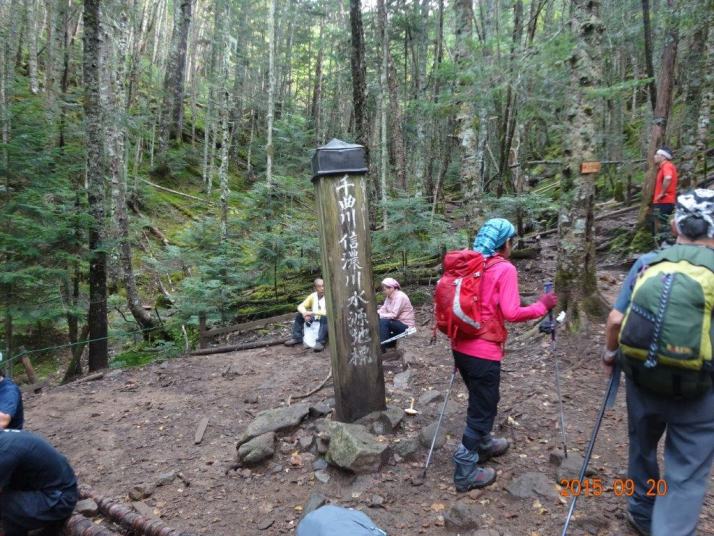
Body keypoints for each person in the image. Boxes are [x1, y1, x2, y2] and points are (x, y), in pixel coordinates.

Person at [603, 189, 714, 536]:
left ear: (675, 225)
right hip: (701, 390)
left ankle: (641, 509)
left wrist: (610, 355)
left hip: (643, 379)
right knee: (686, 473)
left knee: (643, 446)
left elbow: (615, 320)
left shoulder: (648, 263)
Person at [451, 218, 558, 492]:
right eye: (512, 240)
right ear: (505, 243)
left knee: (483, 400)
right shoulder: (504, 268)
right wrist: (541, 306)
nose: (513, 245)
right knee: (482, 409)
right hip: (483, 352)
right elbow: (512, 312)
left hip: (461, 347)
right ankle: (465, 470)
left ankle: (484, 444)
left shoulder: (471, 265)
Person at [0, 429, 78, 536]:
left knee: (4, 502)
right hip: (46, 488)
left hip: (59, 500)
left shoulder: (4, 452)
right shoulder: (4, 438)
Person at [284, 278, 328, 352]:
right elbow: (300, 306)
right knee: (299, 315)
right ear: (315, 288)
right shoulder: (313, 296)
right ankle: (297, 337)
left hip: (326, 322)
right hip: (315, 319)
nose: (322, 288)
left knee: (325, 317)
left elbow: (327, 312)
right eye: (319, 286)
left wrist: (311, 313)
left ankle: (320, 342)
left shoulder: (329, 296)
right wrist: (305, 313)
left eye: (323, 286)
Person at [377, 277, 415, 353]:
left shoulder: (400, 296)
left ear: (392, 288)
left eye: (384, 289)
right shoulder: (389, 297)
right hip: (396, 324)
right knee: (380, 321)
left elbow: (394, 315)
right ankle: (384, 344)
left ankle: (382, 348)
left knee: (384, 321)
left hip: (406, 326)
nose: (383, 291)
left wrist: (379, 315)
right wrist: (375, 314)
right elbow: (383, 309)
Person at [651, 146, 678, 246]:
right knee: (661, 226)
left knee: (660, 228)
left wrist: (661, 193)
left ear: (663, 157)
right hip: (665, 202)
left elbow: (668, 177)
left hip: (663, 202)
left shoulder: (667, 166)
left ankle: (663, 248)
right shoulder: (664, 167)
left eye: (657, 154)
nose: (655, 156)